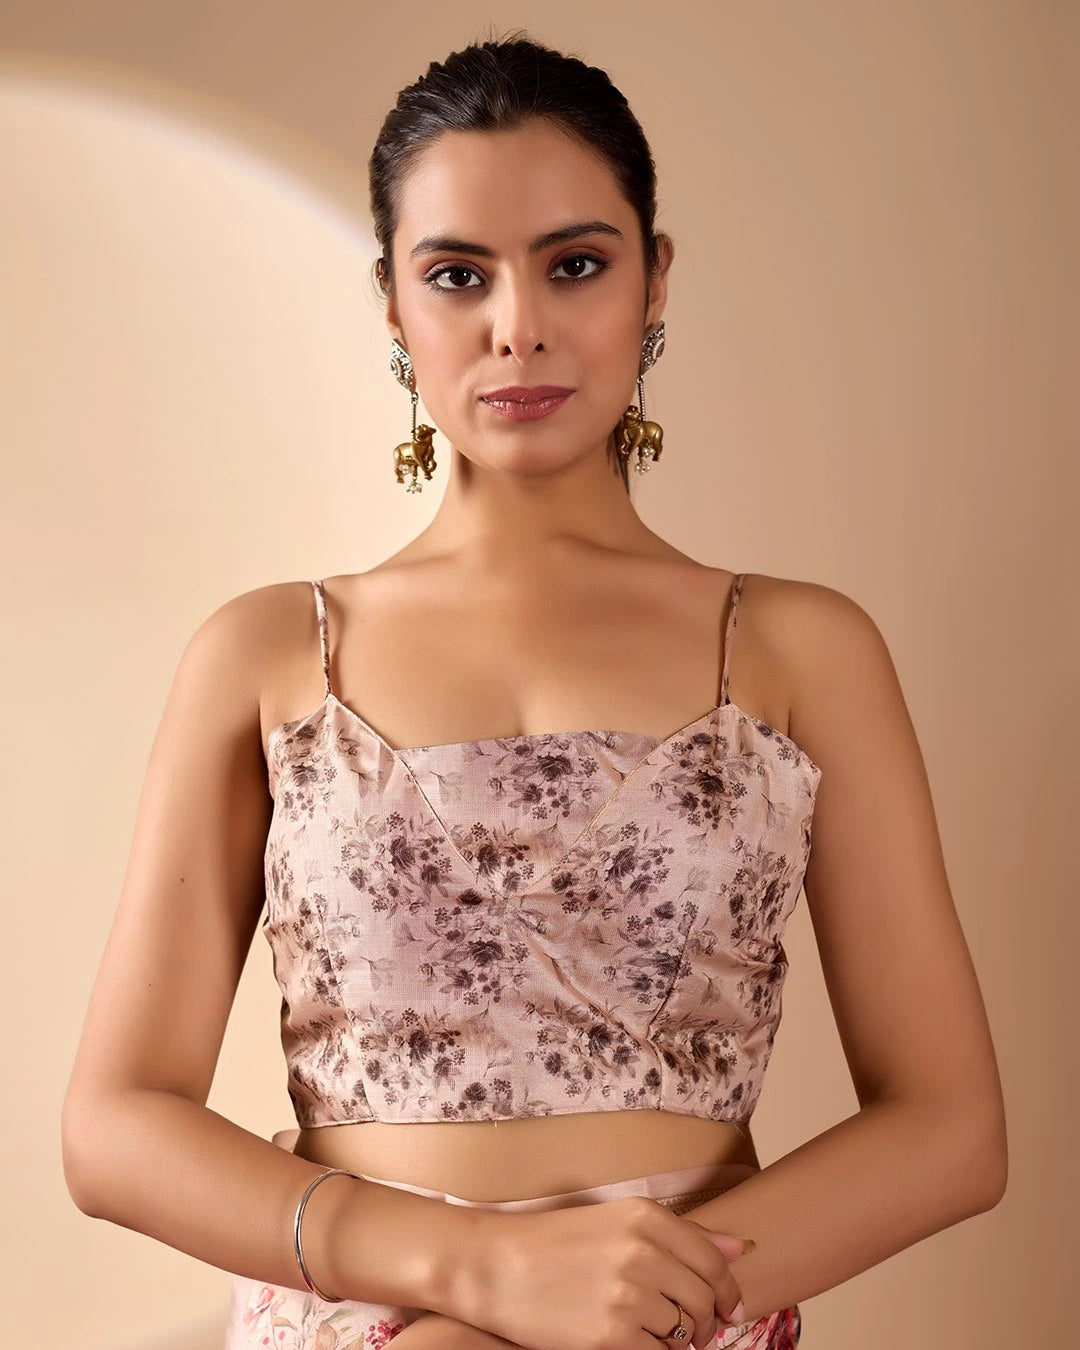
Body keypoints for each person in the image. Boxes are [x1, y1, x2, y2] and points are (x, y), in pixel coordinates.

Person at [61, 31, 1008, 1350]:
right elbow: (114, 1127)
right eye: (458, 274)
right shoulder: (267, 653)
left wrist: (645, 1304)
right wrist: (474, 1275)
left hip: (689, 1327)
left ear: (654, 278)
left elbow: (952, 1128)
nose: (521, 326)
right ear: (392, 304)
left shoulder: (799, 649)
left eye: (575, 263)